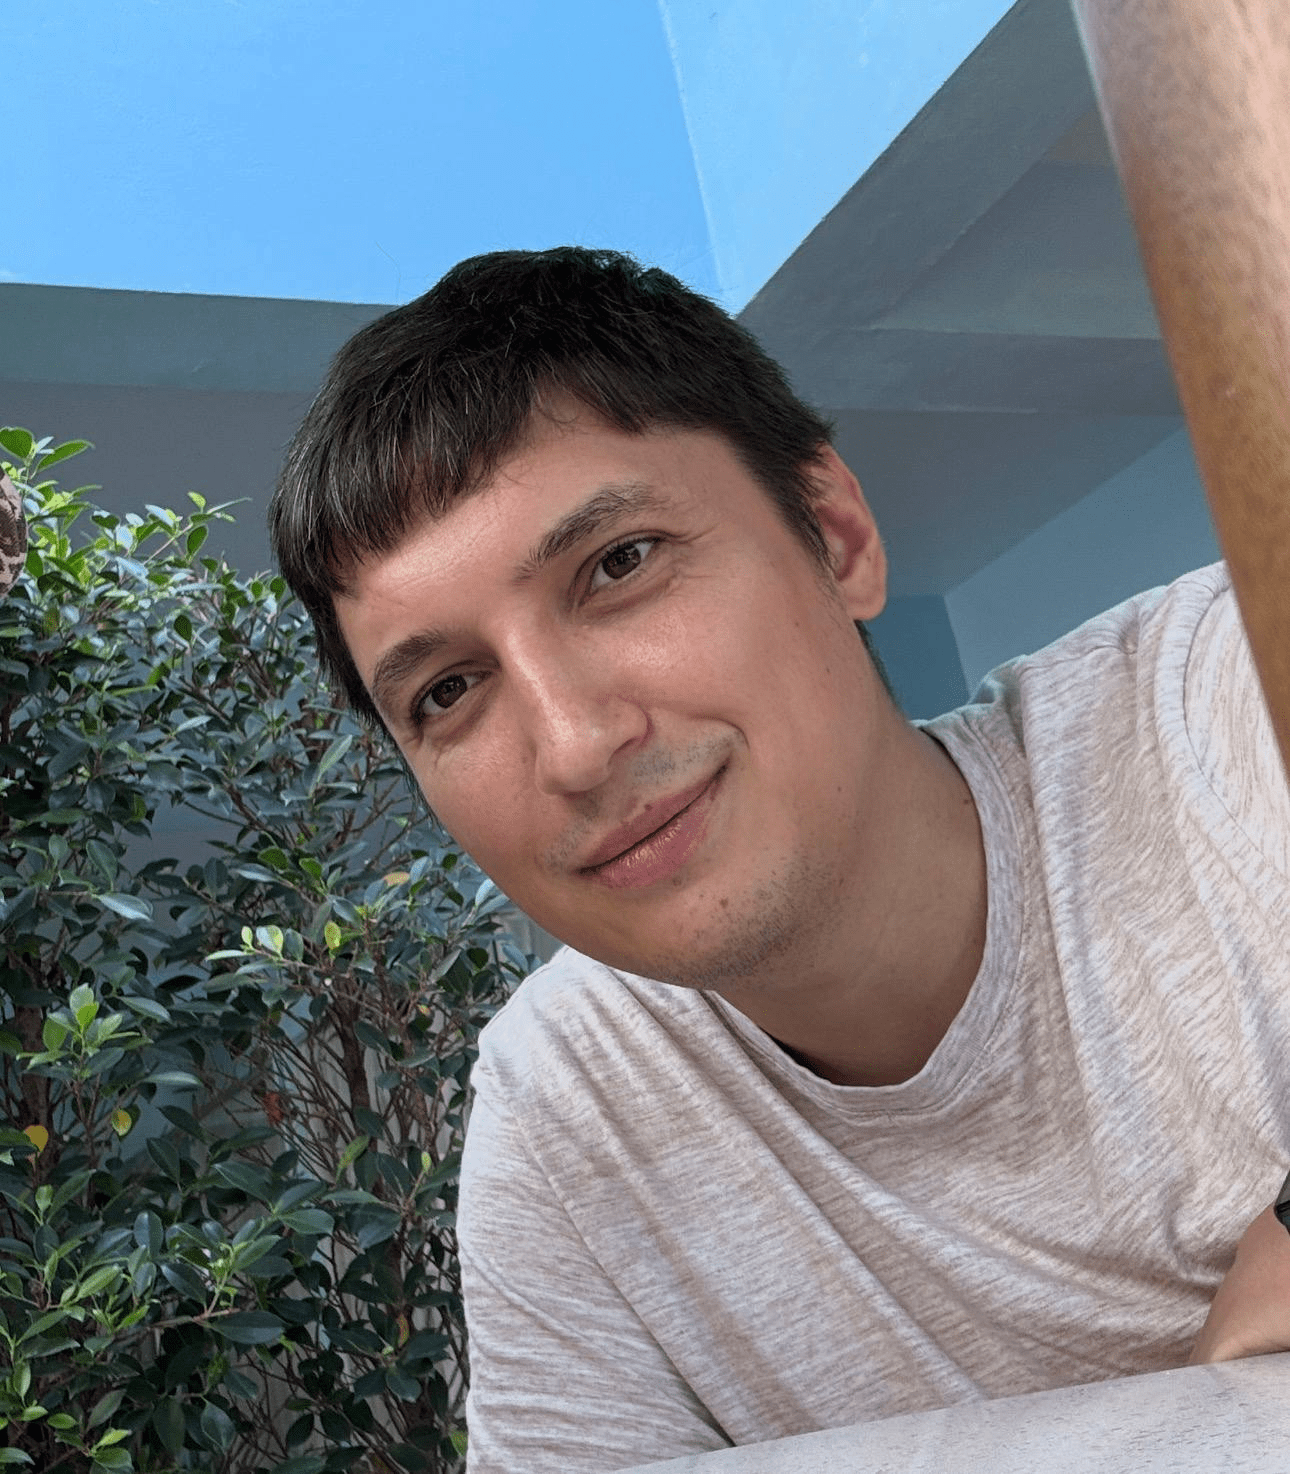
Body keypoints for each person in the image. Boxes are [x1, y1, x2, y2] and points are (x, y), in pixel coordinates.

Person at [268, 241, 1290, 1474]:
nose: (577, 747)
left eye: (620, 564)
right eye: (447, 689)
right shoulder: (566, 1111)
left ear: (836, 534)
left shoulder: (1227, 701)